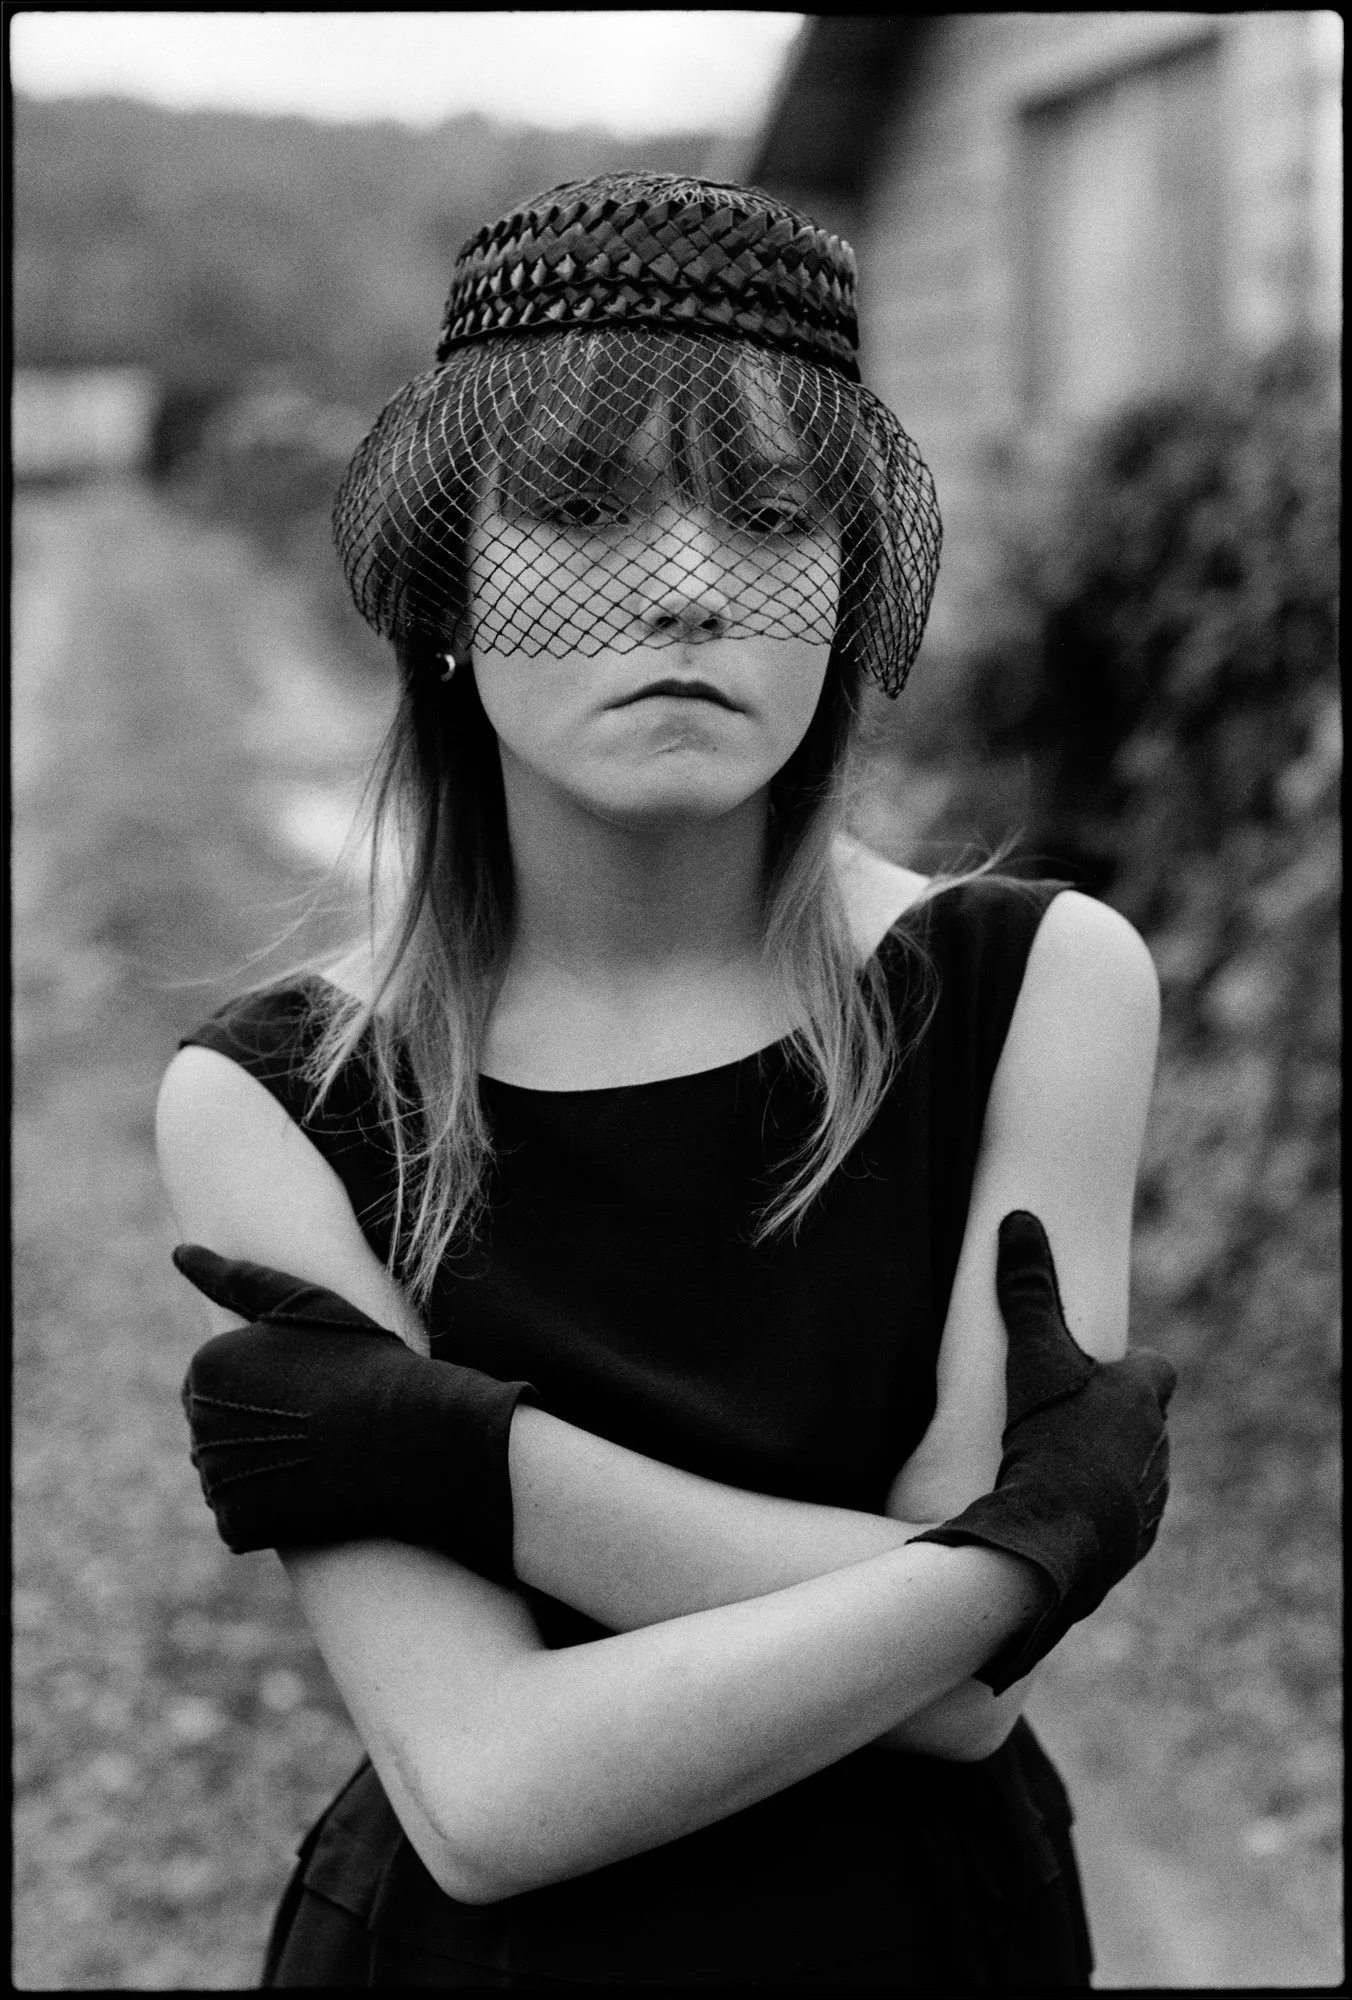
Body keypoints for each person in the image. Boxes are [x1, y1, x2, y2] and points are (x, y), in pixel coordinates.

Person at [155, 172, 1172, 1989]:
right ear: (448, 589)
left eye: (774, 520)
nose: (691, 586)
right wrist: (1014, 1558)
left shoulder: (1038, 986)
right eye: (577, 512)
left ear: (848, 595)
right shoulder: (274, 1096)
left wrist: (462, 1456)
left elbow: (964, 1704)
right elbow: (489, 1791)